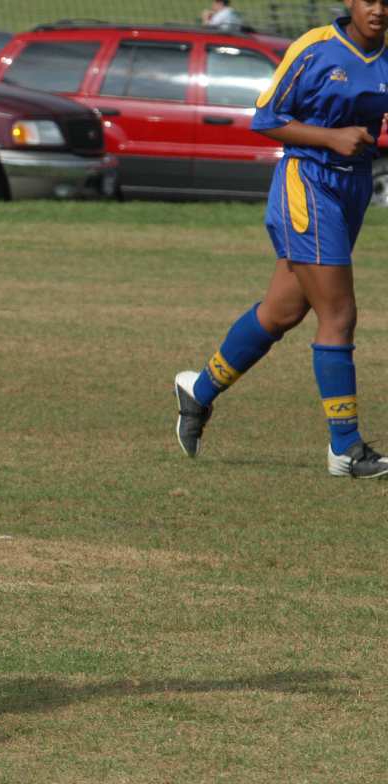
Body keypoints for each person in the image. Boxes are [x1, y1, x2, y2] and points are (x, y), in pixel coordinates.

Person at [175, 0, 388, 479]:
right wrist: (331, 138)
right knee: (339, 314)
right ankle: (346, 448)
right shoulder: (315, 49)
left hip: (352, 189)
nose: (378, 9)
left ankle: (197, 391)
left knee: (282, 312)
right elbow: (266, 117)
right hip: (308, 183)